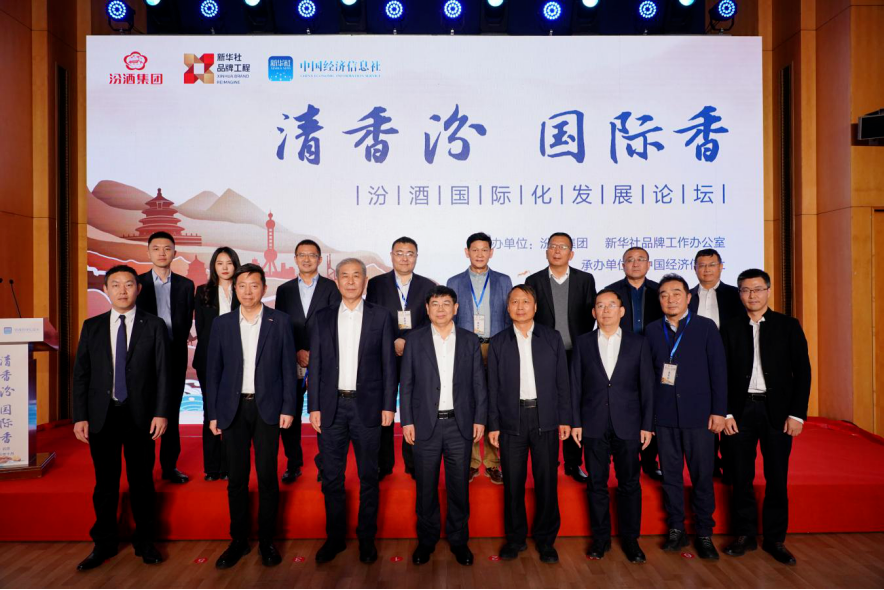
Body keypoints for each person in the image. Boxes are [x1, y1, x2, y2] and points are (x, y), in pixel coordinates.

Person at [71, 265, 169, 570]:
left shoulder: (154, 325)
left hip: (141, 415)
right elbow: (82, 374)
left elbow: (163, 373)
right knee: (105, 483)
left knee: (142, 482)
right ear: (106, 289)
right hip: (103, 415)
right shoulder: (92, 326)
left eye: (128, 284)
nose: (122, 290)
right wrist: (80, 416)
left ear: (138, 289)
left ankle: (145, 541)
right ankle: (103, 543)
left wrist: (161, 412)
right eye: (116, 285)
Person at [206, 264, 297, 569]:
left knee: (268, 476)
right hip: (232, 409)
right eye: (242, 286)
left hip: (267, 407)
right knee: (237, 479)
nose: (248, 291)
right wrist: (214, 413)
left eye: (254, 285)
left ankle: (267, 541)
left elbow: (288, 369)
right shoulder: (222, 324)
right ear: (235, 289)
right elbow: (213, 372)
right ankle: (238, 540)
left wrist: (288, 408)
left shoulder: (279, 321)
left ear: (264, 288)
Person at [307, 258, 397, 564]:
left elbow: (389, 364)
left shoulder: (381, 316)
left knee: (369, 476)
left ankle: (366, 539)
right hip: (331, 408)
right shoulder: (323, 317)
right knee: (332, 477)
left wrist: (388, 405)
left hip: (367, 407)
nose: (350, 281)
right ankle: (335, 538)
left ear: (364, 281)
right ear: (336, 280)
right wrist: (314, 405)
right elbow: (316, 364)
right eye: (344, 275)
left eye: (356, 275)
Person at [720, 269, 811, 565]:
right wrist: (726, 412)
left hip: (778, 413)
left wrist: (797, 414)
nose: (752, 295)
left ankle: (775, 539)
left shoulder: (788, 326)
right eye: (746, 290)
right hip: (740, 412)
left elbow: (803, 372)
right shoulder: (730, 327)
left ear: (768, 291)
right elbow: (720, 374)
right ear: (739, 294)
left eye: (758, 289)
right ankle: (744, 535)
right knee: (740, 476)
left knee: (777, 477)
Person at [401, 285, 487, 567]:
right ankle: (426, 541)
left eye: (446, 304)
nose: (441, 309)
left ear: (456, 308)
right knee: (425, 487)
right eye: (435, 304)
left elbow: (478, 383)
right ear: (427, 309)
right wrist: (407, 421)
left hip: (459, 425)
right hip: (425, 425)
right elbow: (407, 383)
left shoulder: (469, 340)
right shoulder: (415, 340)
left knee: (458, 487)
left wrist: (479, 418)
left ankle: (459, 541)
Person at [644, 274, 727, 560]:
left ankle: (704, 532)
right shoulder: (652, 330)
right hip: (665, 416)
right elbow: (648, 377)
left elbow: (719, 371)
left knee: (702, 476)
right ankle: (676, 529)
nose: (670, 299)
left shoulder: (705, 327)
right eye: (664, 295)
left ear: (688, 297)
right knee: (670, 477)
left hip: (699, 416)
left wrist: (719, 411)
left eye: (676, 293)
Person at [570, 289, 655, 564]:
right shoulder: (583, 343)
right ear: (593, 312)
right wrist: (575, 422)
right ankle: (600, 538)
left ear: (622, 311)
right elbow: (575, 385)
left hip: (628, 424)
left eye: (611, 305)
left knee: (629, 483)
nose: (605, 310)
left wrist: (647, 424)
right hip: (592, 423)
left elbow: (647, 387)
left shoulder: (638, 343)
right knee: (596, 484)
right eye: (600, 306)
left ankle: (631, 539)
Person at [487, 284, 570, 564]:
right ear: (507, 308)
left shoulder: (551, 337)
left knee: (547, 482)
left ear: (535, 307)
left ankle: (546, 541)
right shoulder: (498, 342)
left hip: (546, 418)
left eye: (525, 301)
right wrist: (494, 424)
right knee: (513, 483)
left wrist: (564, 419)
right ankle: (515, 539)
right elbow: (492, 387)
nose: (520, 306)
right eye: (514, 302)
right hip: (512, 420)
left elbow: (562, 382)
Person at [526, 232, 597, 484]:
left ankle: (573, 461)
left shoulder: (585, 279)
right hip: (544, 353)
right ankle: (548, 457)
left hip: (576, 351)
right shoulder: (534, 280)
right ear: (546, 251)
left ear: (571, 253)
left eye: (563, 247)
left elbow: (590, 314)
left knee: (574, 404)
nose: (557, 251)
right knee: (546, 403)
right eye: (553, 246)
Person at [365, 236, 436, 480]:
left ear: (416, 257)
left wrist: (408, 341)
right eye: (399, 253)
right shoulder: (376, 284)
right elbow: (372, 318)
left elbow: (430, 321)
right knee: (383, 407)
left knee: (415, 407)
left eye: (410, 253)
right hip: (384, 354)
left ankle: (414, 462)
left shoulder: (427, 286)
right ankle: (382, 463)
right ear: (391, 255)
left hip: (416, 355)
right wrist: (392, 341)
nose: (404, 258)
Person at [275, 239, 341, 484]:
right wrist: (295, 351)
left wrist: (315, 352)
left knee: (324, 411)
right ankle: (293, 463)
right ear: (295, 259)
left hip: (322, 359)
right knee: (289, 411)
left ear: (320, 260)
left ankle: (325, 464)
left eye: (311, 255)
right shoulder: (284, 290)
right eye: (301, 255)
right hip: (291, 359)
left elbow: (334, 324)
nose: (306, 259)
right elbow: (281, 325)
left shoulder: (331, 288)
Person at [446, 232, 511, 484]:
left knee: (495, 401)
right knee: (469, 401)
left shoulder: (504, 280)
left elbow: (508, 317)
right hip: (466, 347)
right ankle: (472, 462)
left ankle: (493, 462)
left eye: (485, 250)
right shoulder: (454, 281)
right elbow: (449, 317)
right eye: (475, 250)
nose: (480, 254)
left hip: (496, 346)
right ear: (467, 252)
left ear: (491, 252)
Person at [136, 231, 195, 484]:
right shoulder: (137, 283)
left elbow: (186, 320)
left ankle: (169, 466)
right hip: (144, 356)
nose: (162, 253)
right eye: (156, 248)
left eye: (167, 248)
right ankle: (144, 469)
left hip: (174, 354)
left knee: (171, 411)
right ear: (148, 252)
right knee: (144, 410)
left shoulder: (185, 285)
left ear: (174, 253)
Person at [605, 247, 663, 480]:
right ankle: (621, 456)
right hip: (621, 359)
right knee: (623, 405)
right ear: (623, 265)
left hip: (654, 357)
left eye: (640, 260)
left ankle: (649, 460)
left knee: (651, 405)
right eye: (630, 260)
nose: (635, 264)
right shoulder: (611, 293)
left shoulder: (659, 291)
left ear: (649, 264)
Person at [688, 248, 744, 480]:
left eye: (712, 265)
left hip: (730, 363)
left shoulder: (736, 295)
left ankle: (731, 467)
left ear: (721, 267)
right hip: (697, 366)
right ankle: (709, 465)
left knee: (730, 413)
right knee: (704, 418)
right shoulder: (687, 296)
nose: (707, 270)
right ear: (694, 268)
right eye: (701, 265)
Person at [193, 247, 240, 482]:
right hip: (208, 360)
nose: (224, 267)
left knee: (233, 411)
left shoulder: (243, 290)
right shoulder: (203, 292)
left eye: (229, 263)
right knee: (210, 410)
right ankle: (212, 467)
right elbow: (201, 329)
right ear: (213, 266)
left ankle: (230, 465)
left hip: (237, 360)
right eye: (220, 263)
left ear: (236, 265)